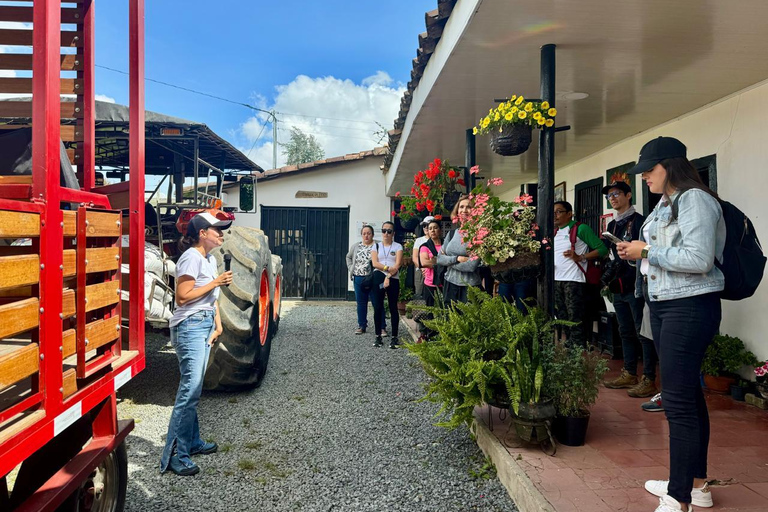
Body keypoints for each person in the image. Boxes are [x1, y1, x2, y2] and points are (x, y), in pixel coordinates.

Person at [617, 136, 724, 512]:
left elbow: (698, 258)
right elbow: (664, 255)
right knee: (688, 398)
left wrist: (646, 250)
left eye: (650, 170)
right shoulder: (666, 203)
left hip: (689, 307)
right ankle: (695, 485)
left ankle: (678, 497)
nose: (644, 177)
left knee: (676, 403)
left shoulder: (695, 199)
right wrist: (635, 252)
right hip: (666, 305)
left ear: (671, 166)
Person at [160, 211, 234, 476]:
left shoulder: (209, 258)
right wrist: (216, 281)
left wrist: (218, 324)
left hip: (202, 325)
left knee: (194, 390)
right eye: (217, 229)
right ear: (202, 234)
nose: (221, 233)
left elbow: (210, 299)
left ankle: (192, 442)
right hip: (189, 326)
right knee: (189, 393)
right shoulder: (191, 257)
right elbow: (182, 297)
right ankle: (174, 457)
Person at [601, 181, 659, 399]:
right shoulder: (612, 226)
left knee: (642, 332)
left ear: (628, 195)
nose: (613, 199)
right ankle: (629, 372)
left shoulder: (641, 222)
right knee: (624, 330)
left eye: (616, 194)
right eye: (609, 196)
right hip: (619, 284)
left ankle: (649, 378)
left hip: (636, 285)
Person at [553, 201, 608, 347]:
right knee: (562, 316)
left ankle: (578, 350)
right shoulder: (554, 232)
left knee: (575, 318)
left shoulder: (580, 229)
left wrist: (580, 257)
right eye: (553, 212)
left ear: (569, 214)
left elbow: (602, 249)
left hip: (574, 280)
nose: (555, 215)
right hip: (557, 279)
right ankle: (570, 347)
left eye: (559, 211)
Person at [437, 194, 482, 306]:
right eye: (461, 207)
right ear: (457, 211)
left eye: (468, 207)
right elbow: (439, 259)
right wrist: (457, 258)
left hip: (470, 286)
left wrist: (448, 261)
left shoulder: (479, 235)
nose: (464, 210)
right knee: (449, 320)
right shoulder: (452, 234)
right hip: (450, 284)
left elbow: (471, 266)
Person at [346, 224, 386, 335]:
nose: (366, 236)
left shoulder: (378, 245)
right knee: (361, 303)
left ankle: (382, 327)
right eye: (364, 234)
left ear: (373, 234)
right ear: (361, 235)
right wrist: (351, 268)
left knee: (377, 302)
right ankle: (361, 325)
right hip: (358, 277)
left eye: (368, 233)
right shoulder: (356, 246)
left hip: (374, 278)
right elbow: (348, 257)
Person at [370, 221, 403, 349]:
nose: (386, 233)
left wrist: (388, 276)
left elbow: (398, 264)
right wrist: (386, 269)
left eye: (389, 231)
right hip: (378, 276)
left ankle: (394, 337)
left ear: (393, 233)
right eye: (384, 230)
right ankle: (378, 335)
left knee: (393, 306)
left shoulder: (397, 246)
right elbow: (375, 263)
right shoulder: (376, 246)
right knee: (378, 306)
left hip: (393, 278)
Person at [417, 219, 443, 340]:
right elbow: (424, 262)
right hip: (430, 283)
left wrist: (434, 260)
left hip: (445, 283)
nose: (432, 230)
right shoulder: (425, 246)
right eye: (430, 228)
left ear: (440, 230)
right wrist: (442, 261)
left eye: (435, 228)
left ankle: (443, 334)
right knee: (430, 310)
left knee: (444, 309)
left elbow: (451, 260)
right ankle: (430, 335)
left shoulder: (445, 244)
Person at [412, 216, 435, 298]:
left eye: (427, 225)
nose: (425, 228)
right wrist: (422, 268)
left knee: (435, 296)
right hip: (421, 271)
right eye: (424, 225)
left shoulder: (438, 240)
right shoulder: (419, 240)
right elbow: (414, 257)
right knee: (419, 294)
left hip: (435, 271)